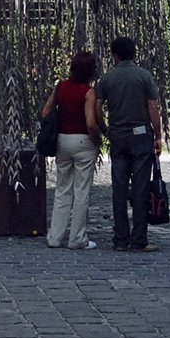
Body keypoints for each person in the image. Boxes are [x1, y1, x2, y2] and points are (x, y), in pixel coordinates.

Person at [96, 36, 163, 253]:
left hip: (118, 137)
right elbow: (152, 107)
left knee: (119, 188)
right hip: (141, 136)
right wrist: (158, 135)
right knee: (141, 189)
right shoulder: (144, 76)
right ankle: (139, 239)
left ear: (114, 55)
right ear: (134, 53)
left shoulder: (106, 79)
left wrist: (106, 129)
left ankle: (120, 239)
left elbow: (97, 108)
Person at [40, 50, 102, 250]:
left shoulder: (61, 87)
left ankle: (55, 237)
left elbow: (45, 112)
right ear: (91, 71)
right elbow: (91, 123)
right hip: (83, 141)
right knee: (81, 191)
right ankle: (77, 238)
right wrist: (97, 141)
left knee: (62, 190)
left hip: (62, 141)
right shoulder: (88, 92)